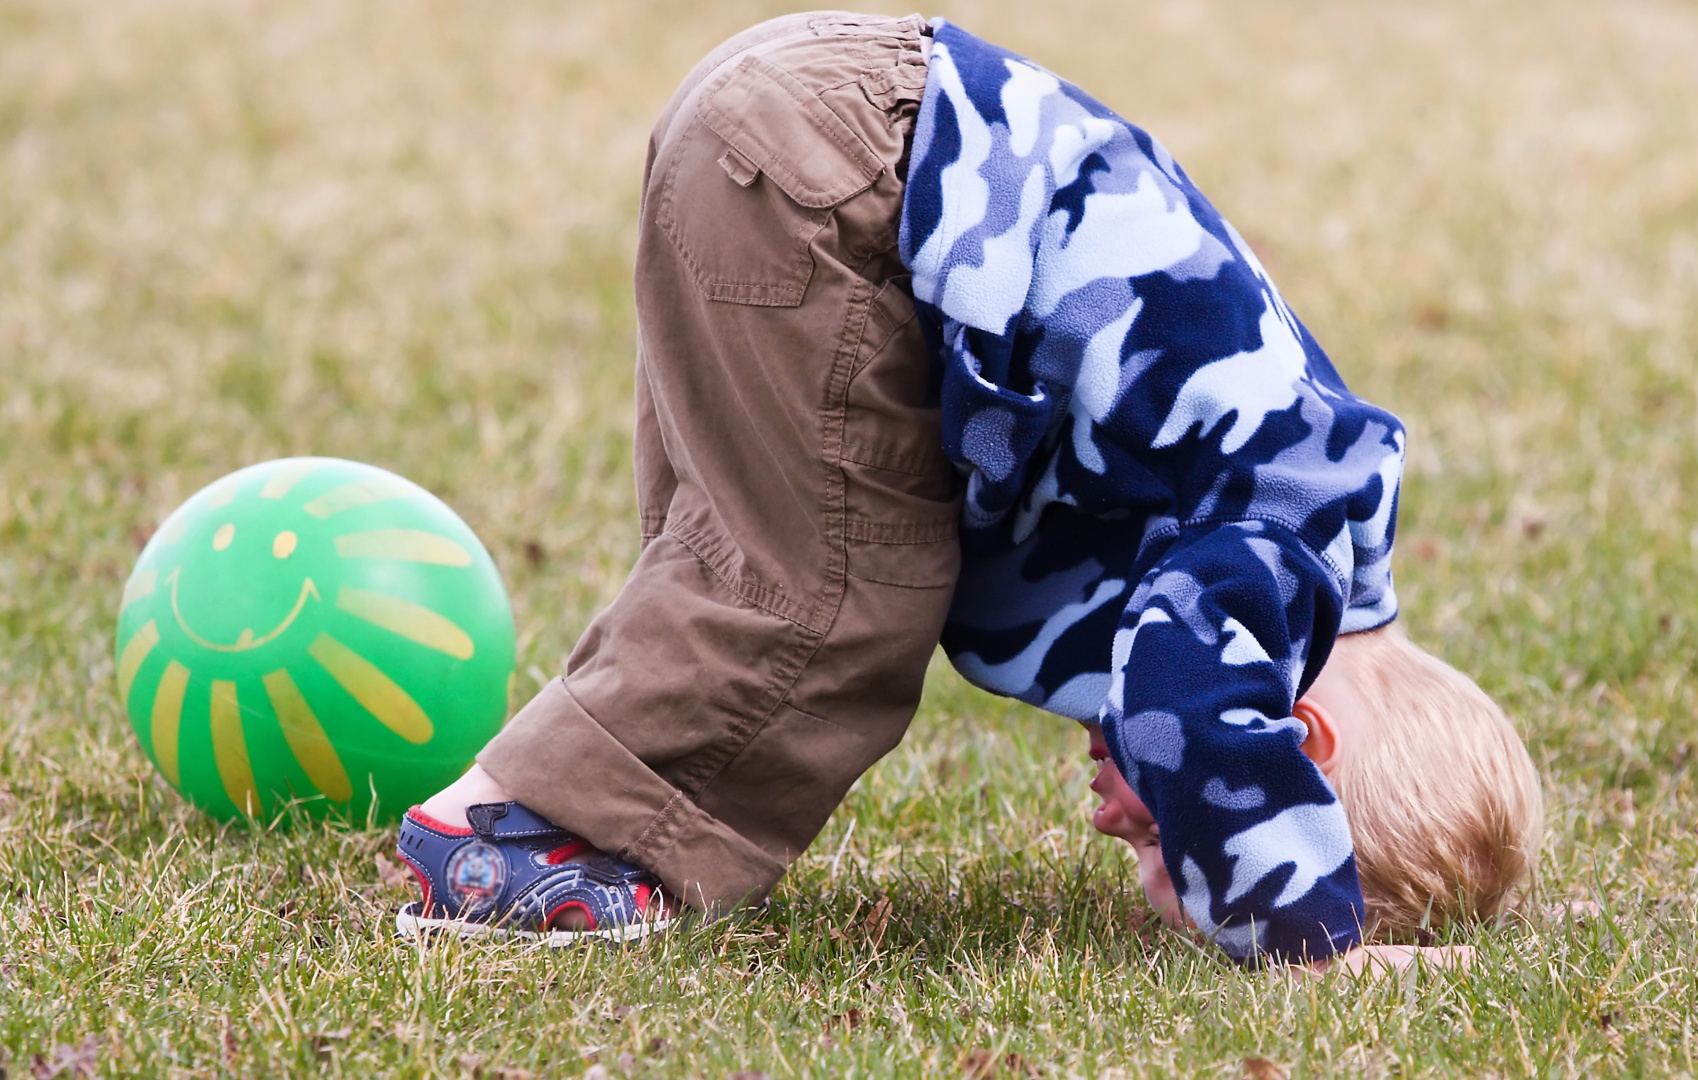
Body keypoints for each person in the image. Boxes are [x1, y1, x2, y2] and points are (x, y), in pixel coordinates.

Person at [391, 11, 1543, 970]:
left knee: (738, 551)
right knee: (837, 589)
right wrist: (1311, 942)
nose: (1105, 822)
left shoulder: (1307, 507)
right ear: (1292, 741)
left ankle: (587, 820)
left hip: (815, 115)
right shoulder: (1279, 556)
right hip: (852, 180)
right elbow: (1183, 696)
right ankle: (500, 833)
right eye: (1163, 846)